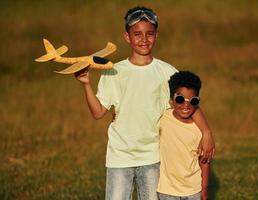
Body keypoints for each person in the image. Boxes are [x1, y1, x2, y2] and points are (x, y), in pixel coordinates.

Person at [75, 6, 214, 200]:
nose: (144, 39)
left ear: (156, 36)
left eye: (149, 34)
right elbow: (98, 113)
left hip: (153, 158)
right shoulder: (114, 71)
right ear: (127, 37)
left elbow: (189, 104)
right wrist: (86, 84)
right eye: (137, 34)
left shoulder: (168, 72)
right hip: (119, 157)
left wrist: (207, 133)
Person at [158, 71, 210, 200]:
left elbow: (204, 162)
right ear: (171, 101)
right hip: (166, 190)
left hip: (193, 190)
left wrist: (204, 188)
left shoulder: (199, 130)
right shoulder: (163, 118)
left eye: (192, 100)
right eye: (180, 99)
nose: (186, 105)